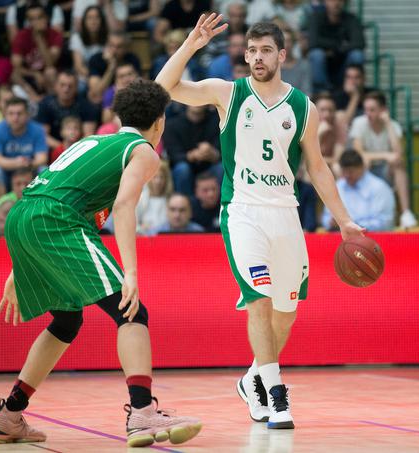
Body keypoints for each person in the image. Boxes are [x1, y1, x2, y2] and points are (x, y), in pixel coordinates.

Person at [156, 16, 363, 429]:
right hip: (243, 212)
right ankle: (277, 396)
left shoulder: (302, 106)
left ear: (282, 55)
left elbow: (318, 169)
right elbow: (163, 89)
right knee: (260, 302)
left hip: (286, 214)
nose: (256, 57)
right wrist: (192, 46)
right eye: (251, 51)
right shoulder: (228, 93)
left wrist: (345, 221)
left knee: (286, 312)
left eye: (265, 50)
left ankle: (253, 378)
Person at [0, 79, 202, 448]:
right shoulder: (142, 150)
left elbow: (47, 192)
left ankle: (9, 414)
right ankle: (142, 411)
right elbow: (124, 206)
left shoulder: (92, 142)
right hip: (54, 220)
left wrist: (19, 266)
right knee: (131, 311)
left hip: (23, 216)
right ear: (160, 122)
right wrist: (130, 272)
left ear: (119, 116)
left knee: (67, 321)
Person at [350, 91, 417, 228]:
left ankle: (406, 213)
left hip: (386, 170)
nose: (368, 113)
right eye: (366, 109)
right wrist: (386, 155)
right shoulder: (359, 123)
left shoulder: (393, 125)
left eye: (372, 110)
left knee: (399, 164)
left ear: (383, 110)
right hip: (365, 169)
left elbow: (398, 153)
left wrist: (388, 124)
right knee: (364, 161)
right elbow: (359, 153)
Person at [0, 97, 48, 206]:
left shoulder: (37, 129)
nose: (15, 118)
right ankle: (0, 215)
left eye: (19, 113)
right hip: (7, 172)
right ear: (5, 115)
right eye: (11, 114)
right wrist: (16, 163)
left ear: (27, 115)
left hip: (30, 170)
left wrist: (28, 163)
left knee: (44, 170)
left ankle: (41, 210)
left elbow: (42, 159)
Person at [322, 149, 394, 231]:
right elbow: (326, 218)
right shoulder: (337, 187)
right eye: (344, 171)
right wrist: (330, 222)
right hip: (339, 236)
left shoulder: (379, 187)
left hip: (372, 238)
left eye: (350, 171)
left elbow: (384, 223)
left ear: (362, 167)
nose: (347, 175)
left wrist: (354, 225)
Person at [162, 105, 222, 195]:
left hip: (209, 166)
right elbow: (172, 155)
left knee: (222, 168)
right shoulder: (173, 123)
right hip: (185, 167)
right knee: (182, 169)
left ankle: (223, 205)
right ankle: (184, 203)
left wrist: (213, 153)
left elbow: (226, 152)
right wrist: (192, 155)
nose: (197, 104)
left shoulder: (217, 121)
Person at [307, 0, 364, 92]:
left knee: (357, 54)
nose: (336, 3)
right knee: (316, 54)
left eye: (340, 0)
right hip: (323, 66)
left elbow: (360, 43)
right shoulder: (316, 17)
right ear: (325, 2)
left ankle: (352, 87)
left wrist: (334, 49)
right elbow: (313, 42)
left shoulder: (351, 18)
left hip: (343, 64)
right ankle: (321, 91)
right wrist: (340, 45)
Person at [11, 3, 63, 100]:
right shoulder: (21, 36)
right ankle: (35, 98)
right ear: (29, 22)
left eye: (40, 17)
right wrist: (34, 74)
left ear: (46, 18)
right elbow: (16, 66)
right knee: (13, 74)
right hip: (30, 75)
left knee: (50, 72)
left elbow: (50, 63)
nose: (37, 22)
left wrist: (39, 39)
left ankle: (52, 101)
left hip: (49, 75)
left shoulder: (55, 35)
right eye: (32, 19)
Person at [35, 71, 98, 149]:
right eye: (62, 85)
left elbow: (88, 135)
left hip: (79, 149)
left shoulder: (86, 105)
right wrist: (62, 148)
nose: (66, 89)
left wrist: (73, 150)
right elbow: (42, 135)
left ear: (76, 87)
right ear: (56, 86)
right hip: (54, 149)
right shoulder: (46, 104)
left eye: (70, 86)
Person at [86, 31, 141, 103]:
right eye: (111, 45)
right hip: (103, 99)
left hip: (127, 95)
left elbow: (138, 84)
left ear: (126, 48)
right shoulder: (96, 59)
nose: (114, 50)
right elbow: (96, 92)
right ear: (106, 45)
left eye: (119, 47)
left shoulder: (132, 59)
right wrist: (111, 67)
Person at [69, 5, 108, 81]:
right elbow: (78, 67)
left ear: (102, 20)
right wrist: (93, 78)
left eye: (97, 17)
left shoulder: (108, 38)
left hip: (102, 77)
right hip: (82, 77)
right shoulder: (76, 38)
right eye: (89, 18)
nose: (93, 21)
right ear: (84, 21)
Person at [136, 160, 172, 234]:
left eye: (161, 177)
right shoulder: (140, 199)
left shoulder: (170, 199)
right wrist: (140, 229)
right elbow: (133, 225)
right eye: (155, 177)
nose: (158, 181)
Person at [313, 92, 345, 173]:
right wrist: (319, 135)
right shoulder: (306, 125)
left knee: (337, 168)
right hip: (308, 170)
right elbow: (309, 160)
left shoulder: (338, 126)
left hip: (329, 166)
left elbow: (338, 158)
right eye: (322, 110)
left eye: (330, 110)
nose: (327, 114)